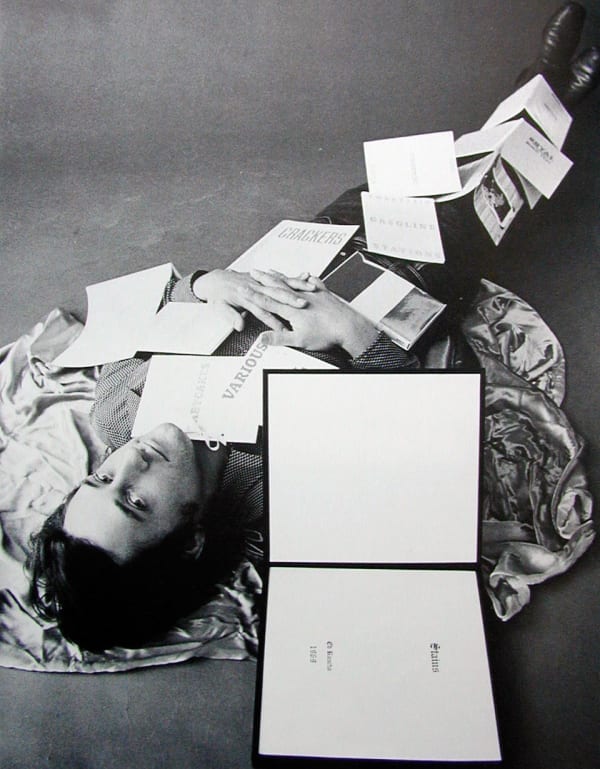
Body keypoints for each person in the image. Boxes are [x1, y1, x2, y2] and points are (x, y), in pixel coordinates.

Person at [28, 2, 599, 652]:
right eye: (137, 503)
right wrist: (353, 332)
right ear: (188, 540)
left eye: (101, 479)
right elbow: (423, 419)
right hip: (401, 291)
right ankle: (551, 89)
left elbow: (144, 312)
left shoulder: (114, 412)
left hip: (315, 242)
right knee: (486, 197)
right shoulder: (283, 495)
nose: (129, 462)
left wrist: (206, 284)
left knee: (436, 172)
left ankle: (537, 93)